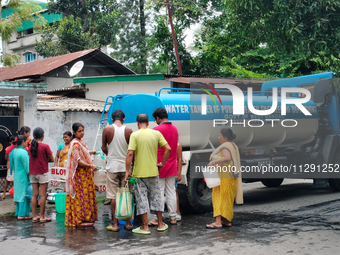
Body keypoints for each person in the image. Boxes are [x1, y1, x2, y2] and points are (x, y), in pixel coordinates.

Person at [125, 114, 171, 235]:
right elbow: (168, 148)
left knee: (141, 199)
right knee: (157, 197)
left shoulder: (135, 135)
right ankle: (161, 224)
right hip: (153, 171)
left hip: (139, 174)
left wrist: (126, 171)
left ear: (137, 123)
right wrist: (162, 163)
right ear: (148, 123)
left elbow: (130, 153)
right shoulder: (156, 133)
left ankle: (145, 227)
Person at [102, 110, 133, 232]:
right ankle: (128, 223)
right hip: (126, 167)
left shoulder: (107, 129)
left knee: (113, 195)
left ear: (112, 119)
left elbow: (104, 147)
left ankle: (115, 224)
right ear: (123, 119)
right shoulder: (129, 131)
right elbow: (132, 150)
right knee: (127, 194)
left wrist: (110, 155)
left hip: (112, 167)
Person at [206, 128, 243, 229]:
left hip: (224, 177)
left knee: (218, 197)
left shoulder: (225, 146)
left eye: (220, 135)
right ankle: (227, 220)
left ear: (225, 137)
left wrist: (213, 162)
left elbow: (227, 158)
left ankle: (218, 222)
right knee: (227, 198)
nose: (218, 138)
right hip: (231, 176)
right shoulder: (233, 145)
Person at [148, 107, 179, 225]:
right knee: (171, 191)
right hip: (172, 164)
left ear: (157, 118)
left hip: (159, 164)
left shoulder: (156, 130)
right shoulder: (175, 129)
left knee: (159, 192)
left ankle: (157, 218)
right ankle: (173, 217)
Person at [65, 123, 99, 227]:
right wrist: (90, 165)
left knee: (86, 195)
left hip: (85, 174)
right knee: (80, 196)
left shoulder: (81, 142)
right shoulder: (75, 144)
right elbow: (78, 161)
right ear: (74, 132)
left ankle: (87, 217)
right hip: (79, 175)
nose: (82, 133)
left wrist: (92, 153)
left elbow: (85, 154)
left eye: (83, 130)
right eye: (79, 131)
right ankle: (79, 219)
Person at [29, 127, 54, 223]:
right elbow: (51, 159)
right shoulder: (45, 146)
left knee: (34, 195)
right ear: (42, 136)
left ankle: (35, 216)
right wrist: (44, 160)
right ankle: (42, 216)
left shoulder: (31, 147)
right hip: (42, 172)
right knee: (42, 195)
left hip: (33, 173)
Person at [9, 135, 31, 220]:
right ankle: (22, 214)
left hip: (17, 174)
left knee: (18, 193)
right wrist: (30, 175)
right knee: (24, 194)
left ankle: (18, 212)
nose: (27, 143)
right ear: (23, 142)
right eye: (26, 141)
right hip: (23, 176)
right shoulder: (23, 152)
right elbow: (27, 167)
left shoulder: (14, 151)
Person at [1, 136, 15, 201]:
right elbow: (6, 158)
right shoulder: (8, 149)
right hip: (10, 166)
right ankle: (4, 194)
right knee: (8, 180)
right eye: (12, 141)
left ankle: (14, 193)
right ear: (9, 142)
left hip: (16, 166)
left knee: (15, 181)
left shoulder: (16, 148)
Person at [175, 143, 183, 221]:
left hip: (174, 171)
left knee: (174, 191)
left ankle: (177, 212)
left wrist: (179, 173)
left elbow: (180, 159)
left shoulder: (177, 146)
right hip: (168, 171)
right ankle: (173, 212)